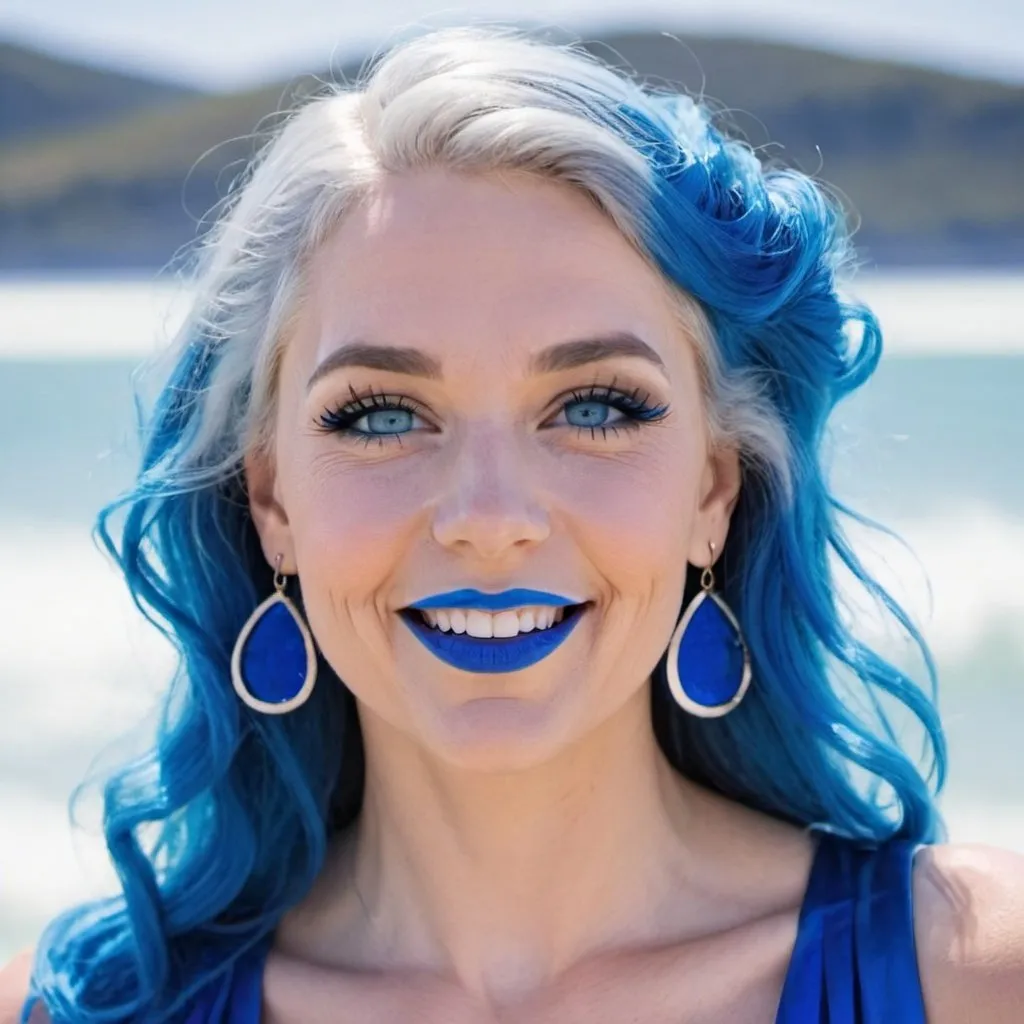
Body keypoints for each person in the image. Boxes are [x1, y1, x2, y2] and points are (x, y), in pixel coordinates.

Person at [3, 24, 1023, 1024]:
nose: (489, 520)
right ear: (272, 502)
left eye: (593, 407)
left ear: (713, 491)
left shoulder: (978, 978)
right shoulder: (72, 1011)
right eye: (383, 414)